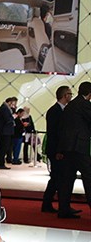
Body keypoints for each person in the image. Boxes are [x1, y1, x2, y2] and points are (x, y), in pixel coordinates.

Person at [41, 85, 78, 216]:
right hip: (56, 150)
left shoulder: (62, 110)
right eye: (70, 94)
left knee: (57, 177)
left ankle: (48, 203)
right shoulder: (54, 111)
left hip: (59, 149)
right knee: (56, 177)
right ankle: (47, 203)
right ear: (65, 95)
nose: (71, 96)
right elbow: (54, 134)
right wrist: (58, 151)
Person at [56, 80, 91, 218]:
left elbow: (63, 128)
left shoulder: (70, 105)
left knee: (67, 179)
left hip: (67, 148)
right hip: (79, 147)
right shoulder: (84, 104)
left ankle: (63, 209)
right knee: (88, 177)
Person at [0, 97, 16, 169]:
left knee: (3, 148)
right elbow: (7, 119)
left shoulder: (4, 108)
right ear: (9, 102)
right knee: (3, 148)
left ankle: (1, 163)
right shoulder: (4, 109)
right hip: (4, 132)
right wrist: (13, 117)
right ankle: (0, 164)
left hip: (4, 132)